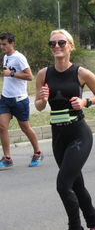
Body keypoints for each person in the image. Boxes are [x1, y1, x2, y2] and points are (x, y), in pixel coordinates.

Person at [35, 29, 95, 230]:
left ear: (71, 46)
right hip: (58, 136)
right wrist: (42, 98)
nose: (56, 46)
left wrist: (85, 101)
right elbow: (39, 106)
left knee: (63, 185)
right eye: (52, 44)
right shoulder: (43, 74)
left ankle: (75, 227)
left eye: (61, 43)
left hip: (79, 133)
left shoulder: (81, 73)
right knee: (76, 184)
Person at [0, 32, 43, 168]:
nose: (2, 47)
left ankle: (37, 152)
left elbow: (30, 76)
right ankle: (7, 158)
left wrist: (11, 73)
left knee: (25, 128)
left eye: (4, 44)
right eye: (1, 44)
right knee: (2, 127)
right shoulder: (5, 56)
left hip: (19, 99)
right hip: (6, 98)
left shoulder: (19, 58)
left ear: (12, 43)